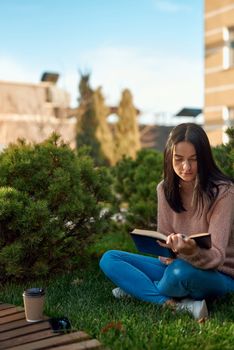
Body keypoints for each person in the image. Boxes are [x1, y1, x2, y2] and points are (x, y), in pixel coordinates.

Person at [99, 123, 234, 320]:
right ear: (169, 157)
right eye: (179, 159)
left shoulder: (223, 192)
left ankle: (138, 289)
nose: (186, 167)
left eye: (194, 160)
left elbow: (217, 257)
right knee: (110, 259)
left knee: (179, 273)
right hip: (176, 266)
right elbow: (164, 247)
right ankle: (177, 305)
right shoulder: (164, 189)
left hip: (219, 274)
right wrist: (169, 251)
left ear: (204, 158)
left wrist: (191, 251)